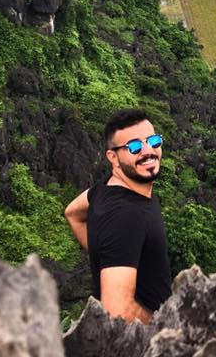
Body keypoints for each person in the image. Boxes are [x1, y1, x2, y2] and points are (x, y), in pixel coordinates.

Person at [64, 109, 171, 323]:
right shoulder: (125, 216)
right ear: (113, 157)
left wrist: (103, 254)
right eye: (134, 146)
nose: (148, 151)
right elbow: (117, 311)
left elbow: (72, 213)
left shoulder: (103, 189)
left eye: (153, 140)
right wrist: (165, 330)